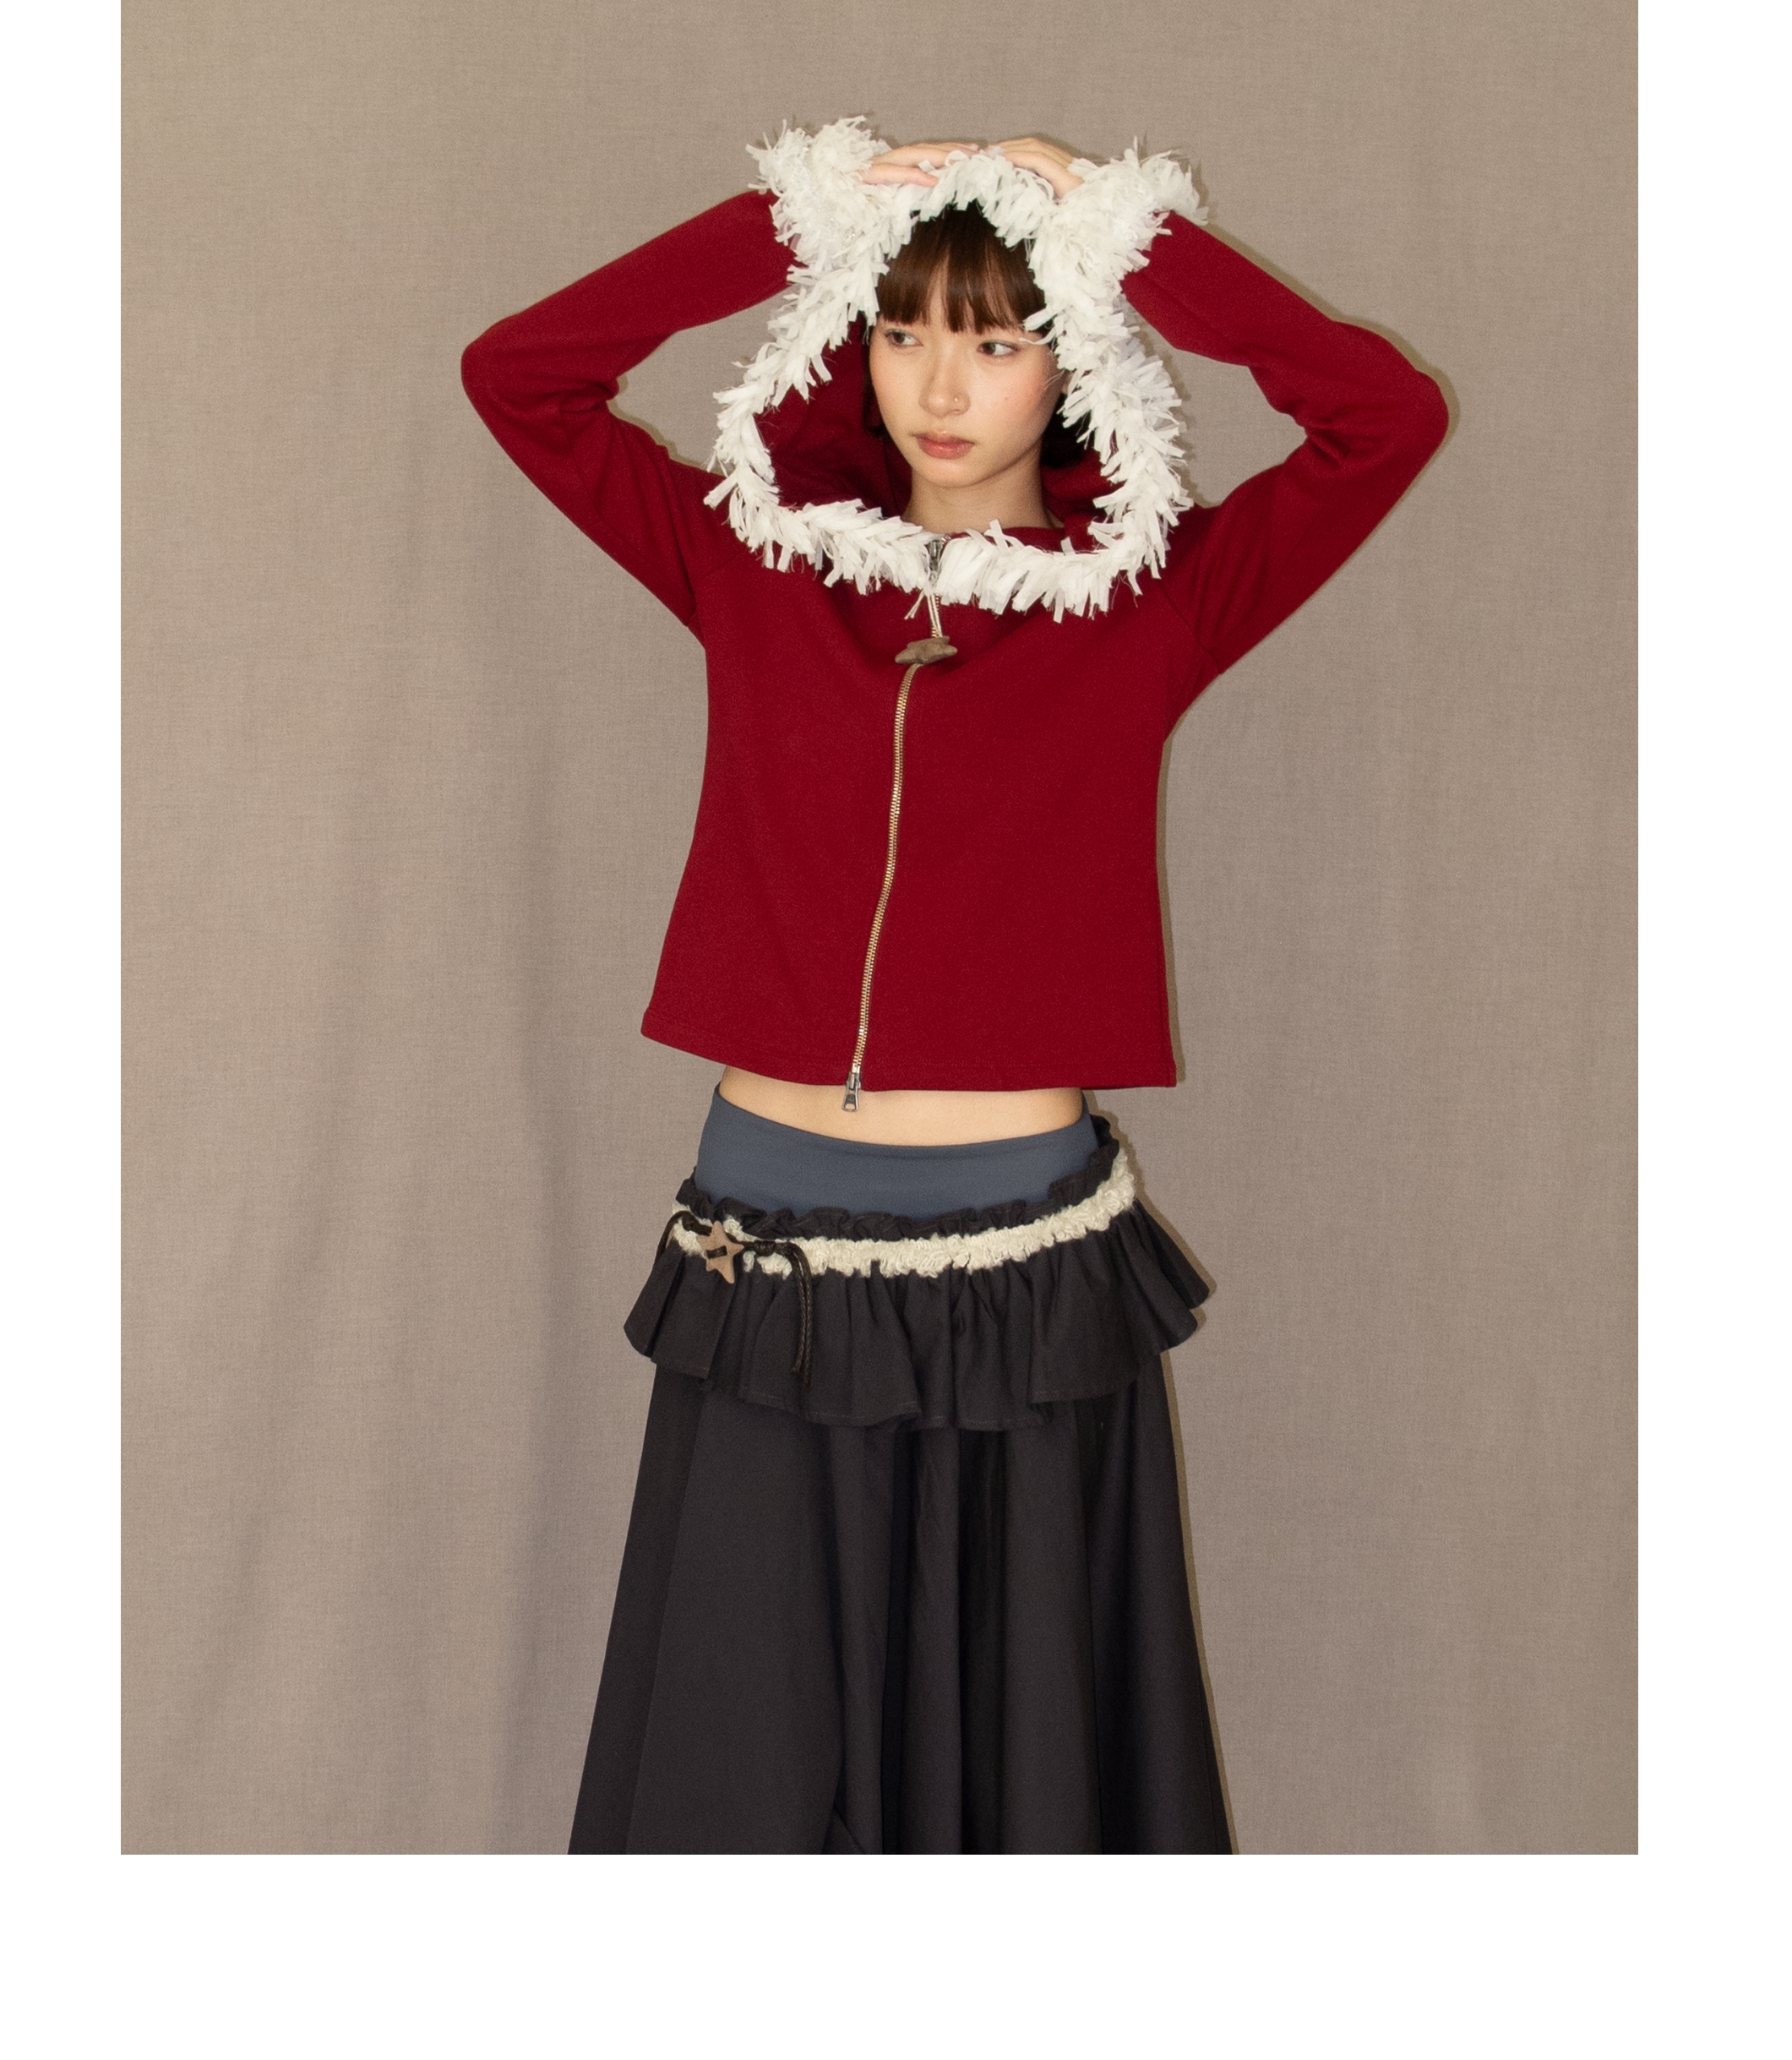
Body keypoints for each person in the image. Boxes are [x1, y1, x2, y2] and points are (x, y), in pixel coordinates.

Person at [460, 119, 1448, 1853]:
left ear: (1071, 361)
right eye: (904, 328)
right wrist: (794, 218)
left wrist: (1130, 232)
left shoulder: (1152, 604)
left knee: (1018, 1762)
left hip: (1023, 1270)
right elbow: (518, 376)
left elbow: (1386, 420)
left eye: (996, 340)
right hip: (768, 1249)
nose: (939, 383)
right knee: (746, 1764)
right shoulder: (753, 561)